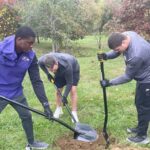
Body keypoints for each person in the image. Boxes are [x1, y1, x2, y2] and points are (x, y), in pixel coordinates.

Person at [0, 26, 53, 149]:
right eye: (29, 43)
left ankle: (31, 142)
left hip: (16, 92)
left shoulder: (30, 56)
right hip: (0, 91)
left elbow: (36, 81)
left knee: (26, 116)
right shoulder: (1, 49)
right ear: (19, 40)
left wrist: (45, 104)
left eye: (32, 43)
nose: (31, 46)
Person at [99, 31, 150, 144]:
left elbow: (127, 77)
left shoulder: (136, 54)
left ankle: (142, 136)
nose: (117, 52)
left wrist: (109, 83)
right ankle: (140, 127)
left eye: (117, 49)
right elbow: (117, 51)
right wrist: (106, 56)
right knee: (139, 103)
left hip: (147, 80)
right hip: (143, 75)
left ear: (123, 42)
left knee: (144, 107)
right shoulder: (127, 35)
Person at [38, 52, 80, 123]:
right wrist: (48, 74)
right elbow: (40, 64)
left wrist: (65, 96)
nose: (53, 71)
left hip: (73, 68)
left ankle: (74, 113)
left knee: (72, 90)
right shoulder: (42, 60)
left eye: (53, 69)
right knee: (58, 90)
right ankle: (59, 109)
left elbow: (69, 83)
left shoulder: (66, 65)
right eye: (51, 70)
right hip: (60, 69)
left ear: (56, 63)